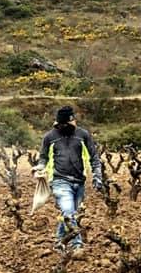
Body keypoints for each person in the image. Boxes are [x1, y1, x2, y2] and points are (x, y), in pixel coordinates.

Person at [34, 105, 103, 253]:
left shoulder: (83, 135)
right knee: (68, 210)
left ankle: (59, 242)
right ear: (60, 123)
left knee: (70, 214)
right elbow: (43, 157)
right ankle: (76, 245)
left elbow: (94, 157)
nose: (71, 125)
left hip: (80, 181)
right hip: (59, 180)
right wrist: (40, 167)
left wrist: (98, 175)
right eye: (67, 123)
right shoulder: (50, 137)